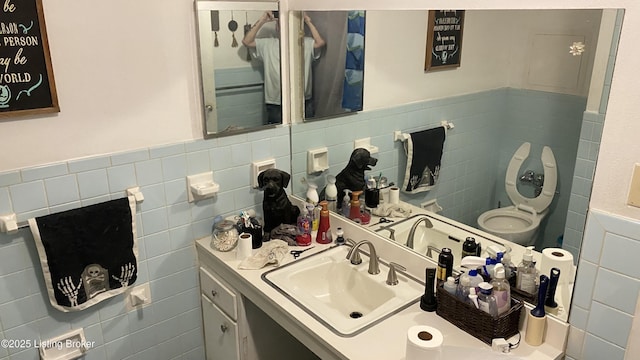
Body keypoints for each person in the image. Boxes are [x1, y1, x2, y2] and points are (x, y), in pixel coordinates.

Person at [242, 12, 326, 124]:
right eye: (281, 24)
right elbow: (246, 41)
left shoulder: (304, 43)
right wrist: (262, 20)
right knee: (277, 137)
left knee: (306, 134)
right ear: (277, 27)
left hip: (303, 100)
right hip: (276, 102)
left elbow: (320, 42)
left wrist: (307, 20)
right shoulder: (267, 44)